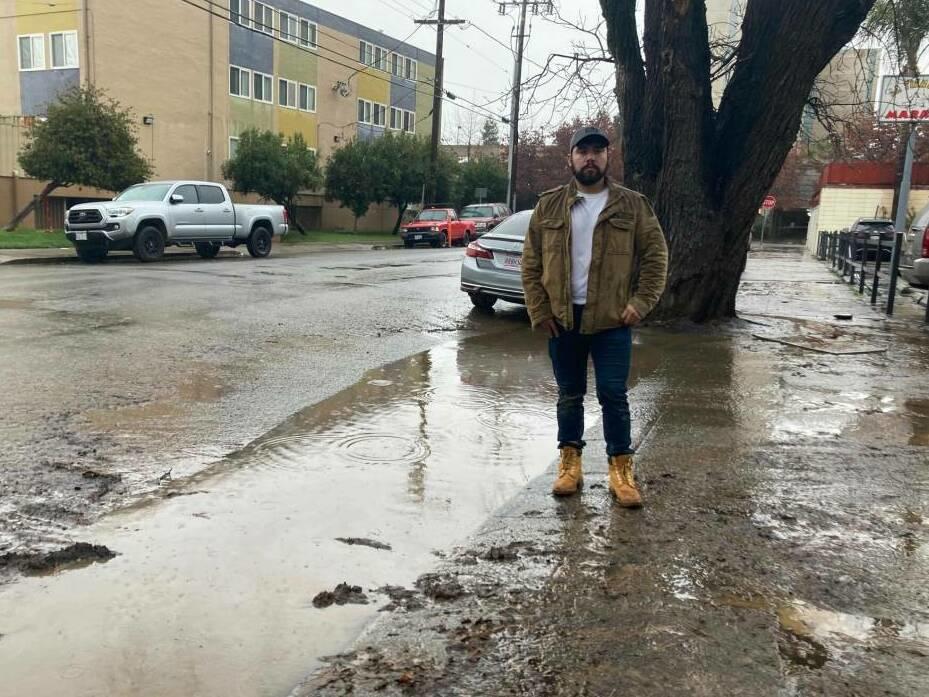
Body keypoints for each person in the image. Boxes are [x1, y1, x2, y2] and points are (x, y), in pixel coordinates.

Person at [521, 126, 668, 507]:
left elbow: (656, 257)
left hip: (611, 322)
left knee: (613, 395)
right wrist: (540, 312)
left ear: (608, 157)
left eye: (597, 151)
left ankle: (621, 470)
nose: (590, 158)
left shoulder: (633, 205)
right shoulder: (549, 206)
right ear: (569, 158)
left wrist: (640, 303)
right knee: (569, 395)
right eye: (582, 151)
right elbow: (531, 263)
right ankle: (570, 464)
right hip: (563, 320)